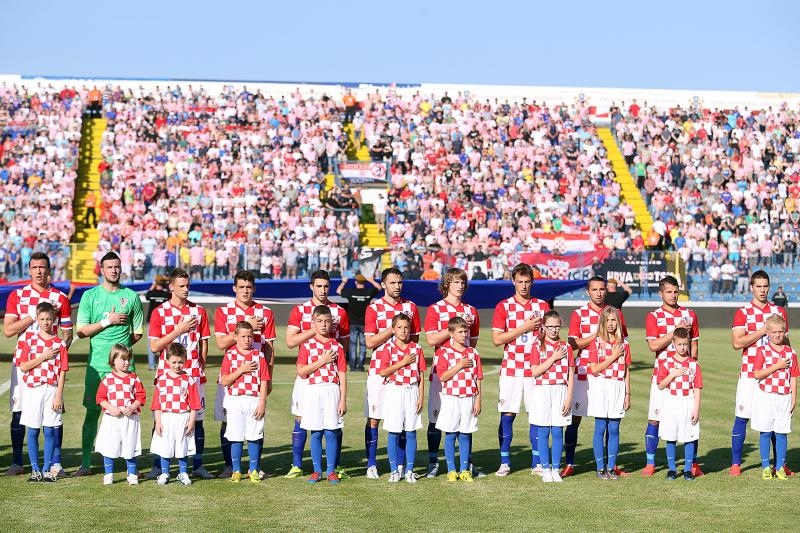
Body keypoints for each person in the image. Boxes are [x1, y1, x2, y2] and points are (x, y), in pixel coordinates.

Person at [74, 251, 144, 477]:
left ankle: (128, 463)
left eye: (117, 266)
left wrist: (120, 355)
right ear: (101, 270)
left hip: (124, 371)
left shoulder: (131, 297)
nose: (114, 270)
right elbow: (82, 331)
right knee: (93, 413)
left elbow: (137, 333)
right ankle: (85, 463)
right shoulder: (90, 296)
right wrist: (107, 321)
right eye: (109, 267)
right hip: (97, 367)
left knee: (127, 415)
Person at [3, 252, 72, 477]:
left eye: (43, 267)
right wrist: (33, 316)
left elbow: (68, 334)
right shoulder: (18, 295)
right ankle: (16, 461)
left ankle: (55, 463)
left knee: (54, 410)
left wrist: (58, 355)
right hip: (24, 364)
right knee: (18, 411)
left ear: (49, 269)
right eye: (35, 267)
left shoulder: (60, 298)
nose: (39, 271)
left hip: (50, 366)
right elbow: (8, 331)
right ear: (29, 270)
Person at [147, 268, 211, 480]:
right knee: (161, 419)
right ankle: (158, 466)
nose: (185, 290)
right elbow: (155, 346)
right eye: (181, 286)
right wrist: (178, 330)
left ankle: (197, 464)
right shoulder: (160, 312)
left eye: (187, 285)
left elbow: (204, 343)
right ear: (171, 287)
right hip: (167, 375)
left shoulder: (199, 311)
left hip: (193, 375)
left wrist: (200, 365)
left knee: (197, 420)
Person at [285, 270, 350, 478]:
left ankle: (334, 466)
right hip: (307, 375)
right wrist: (314, 331)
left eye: (326, 286)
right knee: (302, 418)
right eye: (319, 286)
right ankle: (298, 465)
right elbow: (290, 342)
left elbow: (345, 344)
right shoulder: (300, 310)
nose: (323, 290)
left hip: (329, 376)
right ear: (311, 286)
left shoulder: (339, 312)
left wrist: (330, 357)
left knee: (332, 423)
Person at [213, 270, 276, 479]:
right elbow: (221, 343)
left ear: (254, 288)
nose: (245, 291)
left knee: (257, 418)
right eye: (241, 287)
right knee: (228, 421)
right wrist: (246, 323)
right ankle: (230, 466)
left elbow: (269, 348)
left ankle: (255, 467)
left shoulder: (265, 312)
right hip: (232, 374)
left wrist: (270, 377)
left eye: (249, 287)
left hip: (257, 376)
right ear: (234, 288)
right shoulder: (224, 311)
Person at [565, 276, 629, 478]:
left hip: (609, 375)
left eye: (602, 289)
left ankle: (611, 464)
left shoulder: (615, 313)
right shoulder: (579, 314)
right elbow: (572, 345)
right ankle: (569, 462)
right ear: (588, 292)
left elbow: (623, 342)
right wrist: (596, 336)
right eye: (595, 290)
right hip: (585, 371)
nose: (599, 293)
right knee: (575, 418)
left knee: (610, 419)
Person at [730, 270, 792, 477]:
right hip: (750, 373)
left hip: (776, 375)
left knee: (775, 421)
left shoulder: (779, 312)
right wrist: (762, 331)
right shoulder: (743, 312)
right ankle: (736, 464)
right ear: (751, 287)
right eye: (759, 286)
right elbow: (737, 343)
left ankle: (779, 465)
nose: (763, 290)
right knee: (742, 417)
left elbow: (786, 343)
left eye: (766, 286)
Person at [491, 263, 549, 477]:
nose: (524, 286)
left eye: (527, 281)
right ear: (513, 281)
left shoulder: (542, 306)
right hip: (512, 369)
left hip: (535, 369)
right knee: (508, 414)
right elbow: (497, 339)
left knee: (536, 414)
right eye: (520, 281)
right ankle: (505, 461)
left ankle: (537, 462)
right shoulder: (503, 306)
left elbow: (547, 337)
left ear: (532, 282)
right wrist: (523, 328)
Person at [363, 267, 421, 479]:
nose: (397, 286)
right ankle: (371, 464)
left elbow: (414, 340)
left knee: (404, 421)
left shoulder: (411, 307)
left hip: (404, 374)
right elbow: (369, 342)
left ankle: (401, 467)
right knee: (374, 418)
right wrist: (392, 328)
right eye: (392, 283)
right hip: (380, 371)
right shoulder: (374, 307)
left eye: (400, 282)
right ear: (384, 284)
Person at [423, 268, 481, 478]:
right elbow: (430, 340)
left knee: (466, 418)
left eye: (462, 282)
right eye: (455, 282)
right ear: (447, 284)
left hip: (465, 372)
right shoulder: (435, 309)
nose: (460, 286)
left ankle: (467, 464)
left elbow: (473, 342)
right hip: (442, 371)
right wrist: (450, 331)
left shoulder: (471, 311)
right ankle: (433, 461)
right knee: (437, 417)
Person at [642, 275, 701, 477]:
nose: (673, 295)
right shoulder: (654, 316)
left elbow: (694, 345)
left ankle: (692, 464)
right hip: (663, 376)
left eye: (676, 291)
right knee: (655, 419)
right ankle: (650, 463)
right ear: (661, 293)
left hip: (685, 377)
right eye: (669, 292)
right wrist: (676, 332)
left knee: (690, 419)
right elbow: (653, 346)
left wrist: (693, 368)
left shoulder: (690, 314)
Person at [17, 302, 69, 483]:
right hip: (33, 389)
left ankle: (47, 469)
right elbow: (23, 366)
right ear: (37, 319)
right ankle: (35, 469)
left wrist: (59, 394)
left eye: (49, 319)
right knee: (32, 430)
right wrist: (43, 357)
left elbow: (62, 370)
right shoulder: (29, 340)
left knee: (49, 430)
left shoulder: (59, 343)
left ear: (54, 320)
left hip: (52, 390)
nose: (46, 322)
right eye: (42, 319)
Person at [296, 305, 348, 484]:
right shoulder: (307, 345)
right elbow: (302, 371)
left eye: (327, 321)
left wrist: (343, 399)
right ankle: (317, 470)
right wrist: (322, 360)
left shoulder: (337, 346)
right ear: (313, 323)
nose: (324, 325)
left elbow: (342, 373)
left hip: (332, 390)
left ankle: (331, 470)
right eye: (320, 321)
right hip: (313, 390)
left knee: (331, 432)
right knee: (316, 433)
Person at [376, 313, 426, 482]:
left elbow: (421, 374)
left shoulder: (417, 348)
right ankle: (394, 471)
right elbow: (383, 371)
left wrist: (420, 397)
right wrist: (402, 362)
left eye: (406, 327)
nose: (403, 331)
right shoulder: (388, 349)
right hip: (394, 391)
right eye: (399, 327)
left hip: (411, 391)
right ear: (393, 329)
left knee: (411, 432)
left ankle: (409, 470)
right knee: (394, 432)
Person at [219, 321, 270, 483]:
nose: (247, 339)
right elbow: (225, 380)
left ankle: (254, 470)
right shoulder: (230, 355)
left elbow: (264, 381)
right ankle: (236, 470)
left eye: (250, 336)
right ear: (235, 337)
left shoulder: (259, 356)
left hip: (254, 400)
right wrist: (241, 369)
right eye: (243, 336)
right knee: (236, 437)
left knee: (254, 436)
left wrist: (262, 402)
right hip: (234, 400)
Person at [528, 310, 574, 483]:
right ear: (544, 327)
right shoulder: (537, 346)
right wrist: (553, 357)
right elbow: (535, 371)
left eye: (557, 326)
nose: (554, 330)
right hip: (542, 390)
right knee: (543, 430)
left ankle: (555, 468)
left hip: (560, 391)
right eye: (550, 327)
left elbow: (570, 373)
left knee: (557, 430)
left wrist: (569, 397)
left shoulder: (567, 347)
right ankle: (545, 468)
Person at [436, 317, 483, 482]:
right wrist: (460, 365)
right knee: (450, 433)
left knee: (465, 433)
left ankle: (464, 469)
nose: (464, 335)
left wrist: (478, 399)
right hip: (451, 397)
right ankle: (451, 470)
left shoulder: (473, 352)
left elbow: (478, 378)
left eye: (465, 331)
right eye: (460, 332)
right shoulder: (443, 352)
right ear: (451, 333)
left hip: (469, 397)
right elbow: (442, 376)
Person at [751, 314, 798, 480]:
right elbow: (757, 374)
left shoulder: (791, 353)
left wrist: (794, 398)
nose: (777, 335)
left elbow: (793, 376)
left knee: (782, 432)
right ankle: (765, 466)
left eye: (781, 331)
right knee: (765, 432)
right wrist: (776, 366)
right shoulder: (762, 351)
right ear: (767, 333)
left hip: (784, 397)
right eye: (774, 332)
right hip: (766, 396)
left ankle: (779, 467)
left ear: (785, 332)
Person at [588, 307, 631, 480]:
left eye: (614, 320)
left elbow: (626, 370)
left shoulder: (624, 344)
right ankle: (600, 468)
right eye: (608, 320)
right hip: (600, 386)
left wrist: (627, 394)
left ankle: (611, 467)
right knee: (600, 427)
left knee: (614, 428)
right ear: (602, 322)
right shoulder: (596, 343)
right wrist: (613, 356)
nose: (611, 324)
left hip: (618, 387)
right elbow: (594, 369)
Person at [94, 344, 146, 486]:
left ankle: (132, 475)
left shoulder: (134, 378)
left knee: (130, 446)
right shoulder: (108, 379)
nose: (127, 362)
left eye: (128, 359)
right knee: (110, 446)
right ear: (113, 360)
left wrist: (132, 406)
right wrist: (111, 408)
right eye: (123, 359)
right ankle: (108, 475)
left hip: (130, 419)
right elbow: (100, 398)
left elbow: (141, 397)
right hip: (112, 419)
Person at [150, 343, 201, 486]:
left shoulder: (189, 379)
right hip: (166, 418)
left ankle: (183, 472)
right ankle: (165, 472)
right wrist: (158, 422)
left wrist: (192, 421)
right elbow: (157, 404)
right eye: (174, 362)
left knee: (182, 446)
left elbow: (195, 403)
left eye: (180, 362)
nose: (177, 365)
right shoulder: (162, 380)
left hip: (183, 417)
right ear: (167, 361)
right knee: (165, 447)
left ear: (185, 361)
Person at [656, 328, 702, 480]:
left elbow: (697, 388)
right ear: (673, 344)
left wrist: (696, 408)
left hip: (688, 402)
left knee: (689, 436)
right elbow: (661, 385)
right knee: (671, 436)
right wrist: (673, 374)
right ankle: (672, 469)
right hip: (671, 401)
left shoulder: (694, 365)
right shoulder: (667, 362)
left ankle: (688, 469)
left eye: (685, 344)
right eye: (679, 344)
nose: (683, 347)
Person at [337, 273, 380, 372]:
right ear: (364, 282)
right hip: (364, 324)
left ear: (356, 282)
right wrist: (371, 280)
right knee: (363, 346)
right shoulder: (368, 291)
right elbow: (379, 287)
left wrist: (343, 282)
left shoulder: (351, 291)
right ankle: (360, 366)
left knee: (352, 346)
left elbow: (338, 291)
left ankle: (352, 367)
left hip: (352, 323)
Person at [145, 275, 170, 370]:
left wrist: (153, 285)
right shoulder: (166, 295)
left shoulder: (151, 293)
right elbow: (170, 295)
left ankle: (152, 365)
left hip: (152, 321)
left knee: (151, 344)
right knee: (165, 343)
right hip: (164, 321)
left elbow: (147, 295)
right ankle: (165, 364)